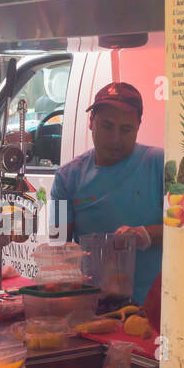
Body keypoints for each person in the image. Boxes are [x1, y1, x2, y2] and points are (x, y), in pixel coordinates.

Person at [49, 81, 164, 305]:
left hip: (156, 308)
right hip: (94, 306)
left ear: (139, 126)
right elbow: (58, 244)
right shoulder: (66, 177)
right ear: (91, 122)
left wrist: (145, 234)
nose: (115, 138)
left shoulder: (160, 164)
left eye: (126, 129)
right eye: (107, 126)